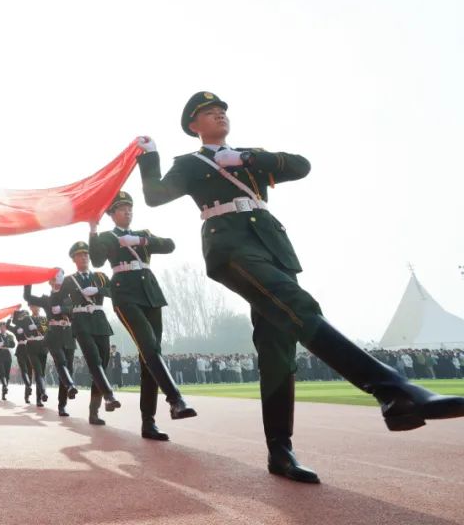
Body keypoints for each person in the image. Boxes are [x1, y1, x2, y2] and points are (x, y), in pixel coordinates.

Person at [136, 91, 464, 483]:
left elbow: (300, 166)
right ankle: (393, 389)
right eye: (209, 112)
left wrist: (246, 159)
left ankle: (281, 451)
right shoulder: (190, 163)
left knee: (278, 348)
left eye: (222, 110)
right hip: (229, 246)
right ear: (194, 125)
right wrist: (149, 159)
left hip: (273, 246)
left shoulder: (248, 155)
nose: (220, 115)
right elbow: (155, 197)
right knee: (299, 306)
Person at [90, 190, 196, 441]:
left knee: (150, 356)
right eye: (122, 208)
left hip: (150, 294)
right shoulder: (107, 237)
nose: (127, 211)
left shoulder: (143, 234)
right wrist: (93, 231)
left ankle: (148, 423)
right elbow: (96, 260)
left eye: (130, 208)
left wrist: (141, 241)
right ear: (112, 213)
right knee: (149, 347)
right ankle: (176, 399)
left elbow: (169, 245)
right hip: (125, 294)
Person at [60, 242, 123, 425]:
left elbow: (115, 292)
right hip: (81, 323)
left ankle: (93, 412)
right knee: (94, 361)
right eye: (80, 255)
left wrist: (98, 290)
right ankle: (109, 396)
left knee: (102, 365)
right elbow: (60, 302)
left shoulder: (99, 277)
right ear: (74, 259)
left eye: (86, 254)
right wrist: (68, 311)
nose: (84, 257)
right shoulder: (69, 280)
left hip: (100, 322)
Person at [24, 272, 79, 417]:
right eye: (54, 279)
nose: (57, 281)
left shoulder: (70, 297)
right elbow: (28, 297)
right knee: (61, 362)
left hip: (69, 335)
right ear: (50, 282)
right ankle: (70, 386)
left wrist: (63, 309)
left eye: (59, 278)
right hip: (53, 335)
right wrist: (28, 279)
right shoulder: (46, 299)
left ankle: (62, 405)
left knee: (68, 369)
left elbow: (75, 310)